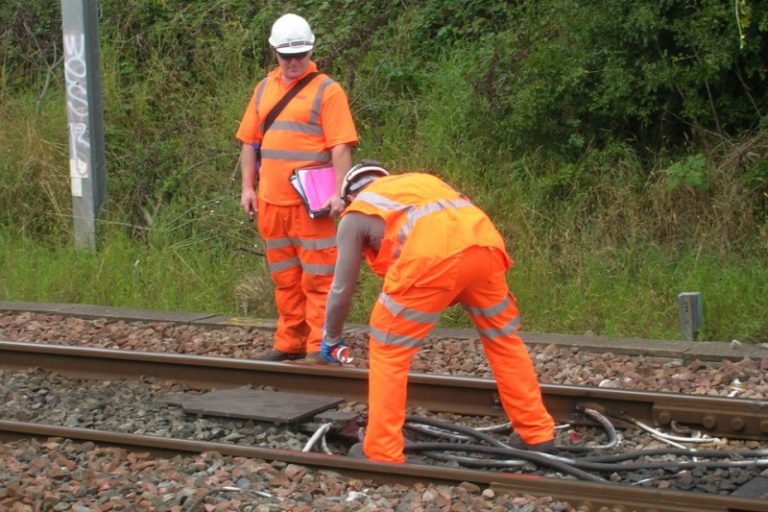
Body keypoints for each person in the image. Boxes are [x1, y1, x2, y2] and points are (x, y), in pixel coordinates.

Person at [321, 163, 555, 463]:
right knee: (504, 340)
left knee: (388, 349)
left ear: (349, 195)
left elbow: (341, 290)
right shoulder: (420, 182)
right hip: (484, 248)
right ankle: (536, 433)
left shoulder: (357, 213)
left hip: (430, 260)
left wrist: (331, 337)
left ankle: (381, 450)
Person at [236, 13, 358, 363]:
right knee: (285, 279)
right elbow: (249, 143)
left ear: (311, 51)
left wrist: (340, 192)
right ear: (274, 52)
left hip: (312, 206)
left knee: (319, 279)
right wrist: (248, 188)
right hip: (270, 204)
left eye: (300, 55)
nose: (293, 62)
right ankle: (290, 341)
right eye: (286, 56)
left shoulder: (327, 90)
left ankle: (320, 346)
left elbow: (340, 146)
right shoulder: (263, 89)